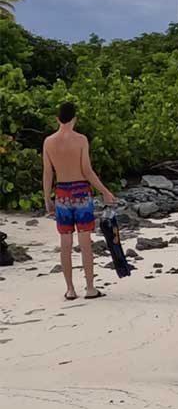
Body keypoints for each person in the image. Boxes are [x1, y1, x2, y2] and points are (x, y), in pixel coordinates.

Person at [40, 101, 117, 301]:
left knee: (65, 242)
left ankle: (70, 289)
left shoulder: (48, 142)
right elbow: (87, 171)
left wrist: (47, 198)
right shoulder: (81, 140)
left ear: (57, 119)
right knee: (85, 242)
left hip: (62, 194)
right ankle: (90, 288)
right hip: (81, 192)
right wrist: (105, 191)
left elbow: (48, 173)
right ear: (75, 118)